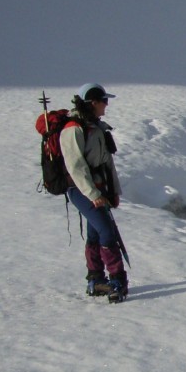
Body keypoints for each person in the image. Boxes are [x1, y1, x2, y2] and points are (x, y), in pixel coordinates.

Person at [60, 83, 128, 301]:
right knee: (107, 232)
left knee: (95, 232)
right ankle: (117, 280)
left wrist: (113, 191)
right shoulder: (73, 128)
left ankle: (96, 279)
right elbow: (75, 166)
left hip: (99, 188)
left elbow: (107, 163)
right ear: (93, 103)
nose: (106, 105)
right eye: (104, 101)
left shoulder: (96, 127)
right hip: (81, 189)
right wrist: (93, 194)